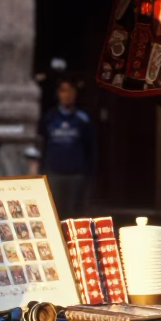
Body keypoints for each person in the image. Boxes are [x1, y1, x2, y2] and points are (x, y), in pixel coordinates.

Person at [39, 74, 96, 219]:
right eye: (63, 90)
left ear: (75, 93)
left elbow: (91, 147)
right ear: (58, 93)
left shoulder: (82, 119)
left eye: (70, 90)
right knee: (53, 213)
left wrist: (89, 173)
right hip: (53, 174)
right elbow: (41, 143)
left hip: (76, 175)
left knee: (75, 214)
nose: (67, 95)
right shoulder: (49, 117)